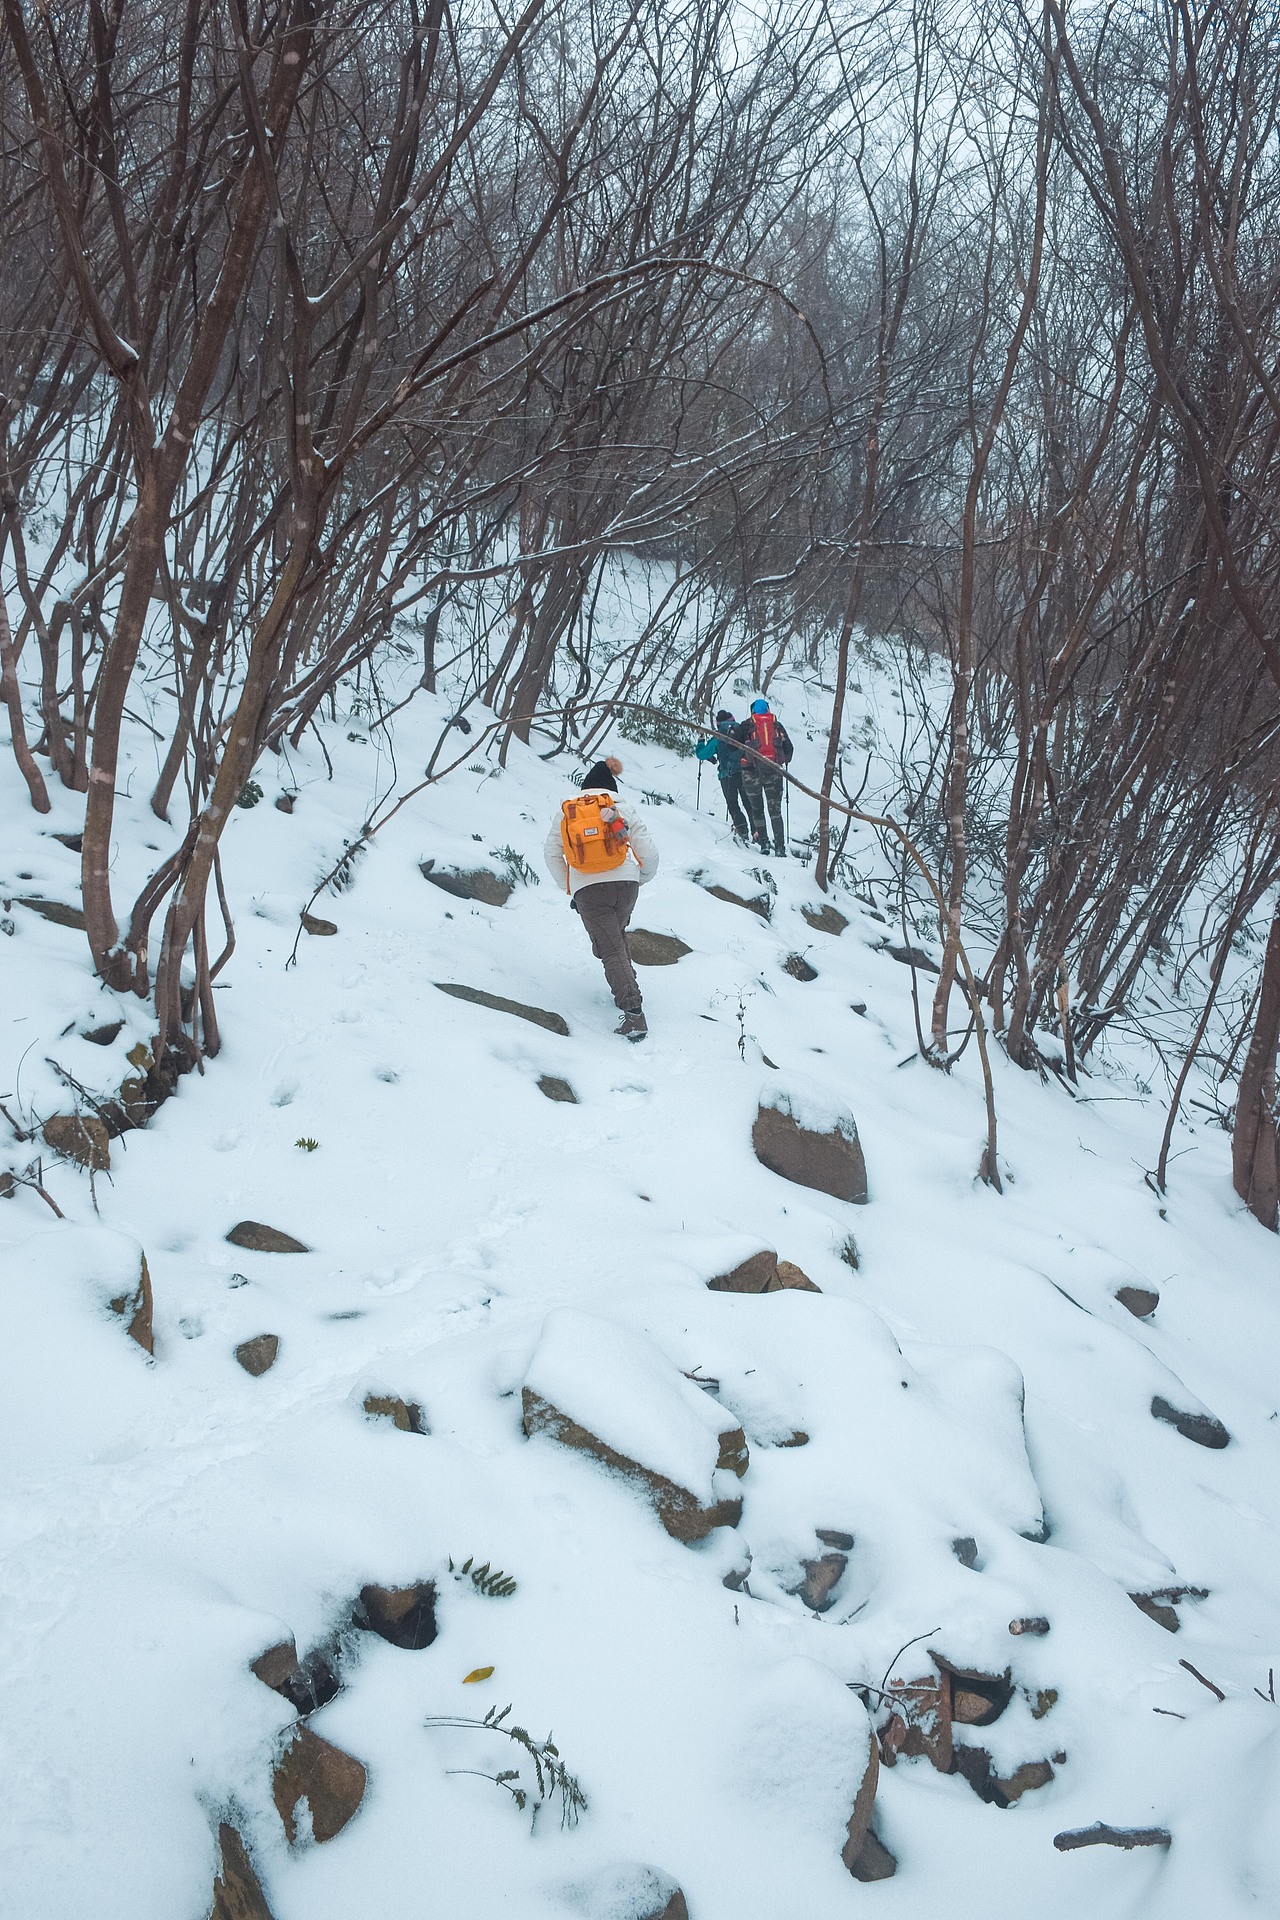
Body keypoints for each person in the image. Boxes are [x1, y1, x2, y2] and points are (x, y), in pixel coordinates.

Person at [544, 755, 658, 1040]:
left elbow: (551, 853)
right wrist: (639, 877)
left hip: (589, 888)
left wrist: (571, 887)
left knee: (609, 948)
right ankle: (625, 982)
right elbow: (647, 849)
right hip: (626, 884)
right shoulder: (620, 806)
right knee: (613, 939)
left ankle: (634, 1014)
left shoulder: (568, 810)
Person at [735, 697, 793, 856]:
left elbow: (735, 746)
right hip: (774, 771)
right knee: (775, 812)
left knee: (757, 809)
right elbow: (789, 748)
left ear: (753, 711)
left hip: (750, 773)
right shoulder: (777, 725)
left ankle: (764, 843)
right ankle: (780, 848)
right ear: (767, 709)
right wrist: (781, 761)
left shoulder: (746, 725)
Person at [695, 710, 749, 840]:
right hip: (744, 772)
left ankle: (743, 830)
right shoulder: (741, 733)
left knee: (732, 803)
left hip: (726, 775)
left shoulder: (717, 737)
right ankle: (757, 834)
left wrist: (701, 741)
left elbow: (701, 754)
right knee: (749, 803)